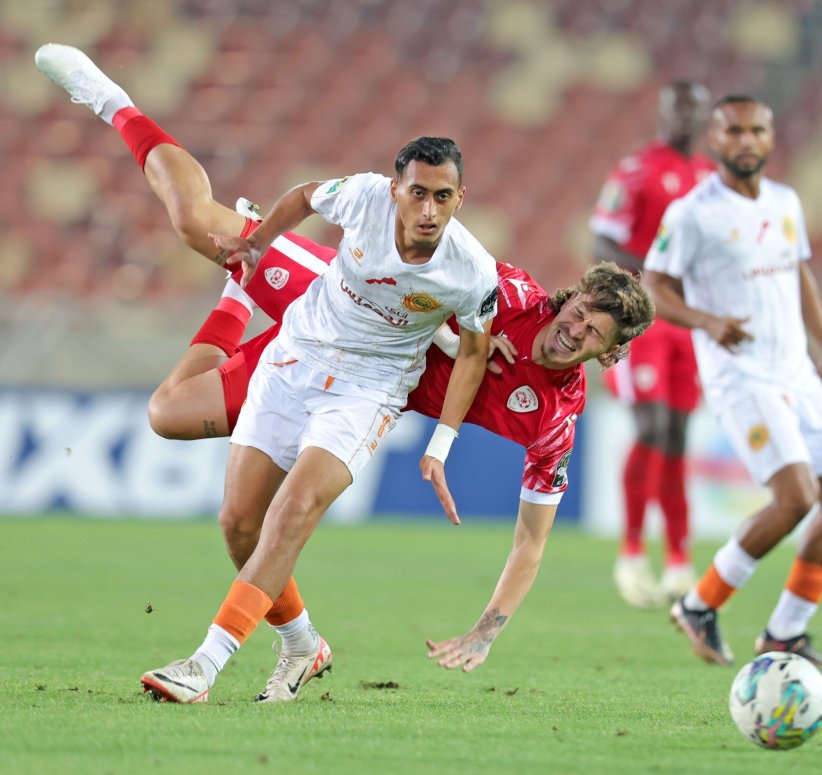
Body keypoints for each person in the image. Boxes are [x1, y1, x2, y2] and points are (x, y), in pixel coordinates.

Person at [35, 44, 655, 701]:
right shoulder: (515, 295)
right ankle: (110, 100)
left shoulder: (555, 422)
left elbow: (531, 541)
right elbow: (439, 280)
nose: (572, 331)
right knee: (192, 239)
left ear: (609, 352)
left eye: (592, 333)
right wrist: (446, 331)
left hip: (369, 380)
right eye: (577, 312)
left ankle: (236, 658)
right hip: (326, 307)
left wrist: (486, 630)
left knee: (241, 481)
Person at [642, 94, 822, 667]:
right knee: (796, 498)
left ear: (771, 137)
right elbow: (654, 285)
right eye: (734, 131)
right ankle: (700, 604)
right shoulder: (693, 212)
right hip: (743, 377)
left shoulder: (786, 202)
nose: (746, 141)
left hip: (797, 369)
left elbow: (799, 273)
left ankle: (786, 633)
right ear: (714, 141)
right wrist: (707, 321)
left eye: (756, 130)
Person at [589, 81, 713, 608]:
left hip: (689, 323)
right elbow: (603, 239)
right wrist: (628, 301)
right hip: (646, 320)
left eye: (694, 109)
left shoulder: (711, 178)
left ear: (706, 117)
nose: (685, 117)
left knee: (679, 436)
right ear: (664, 112)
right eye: (677, 107)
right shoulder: (637, 170)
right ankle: (633, 551)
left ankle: (680, 560)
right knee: (652, 426)